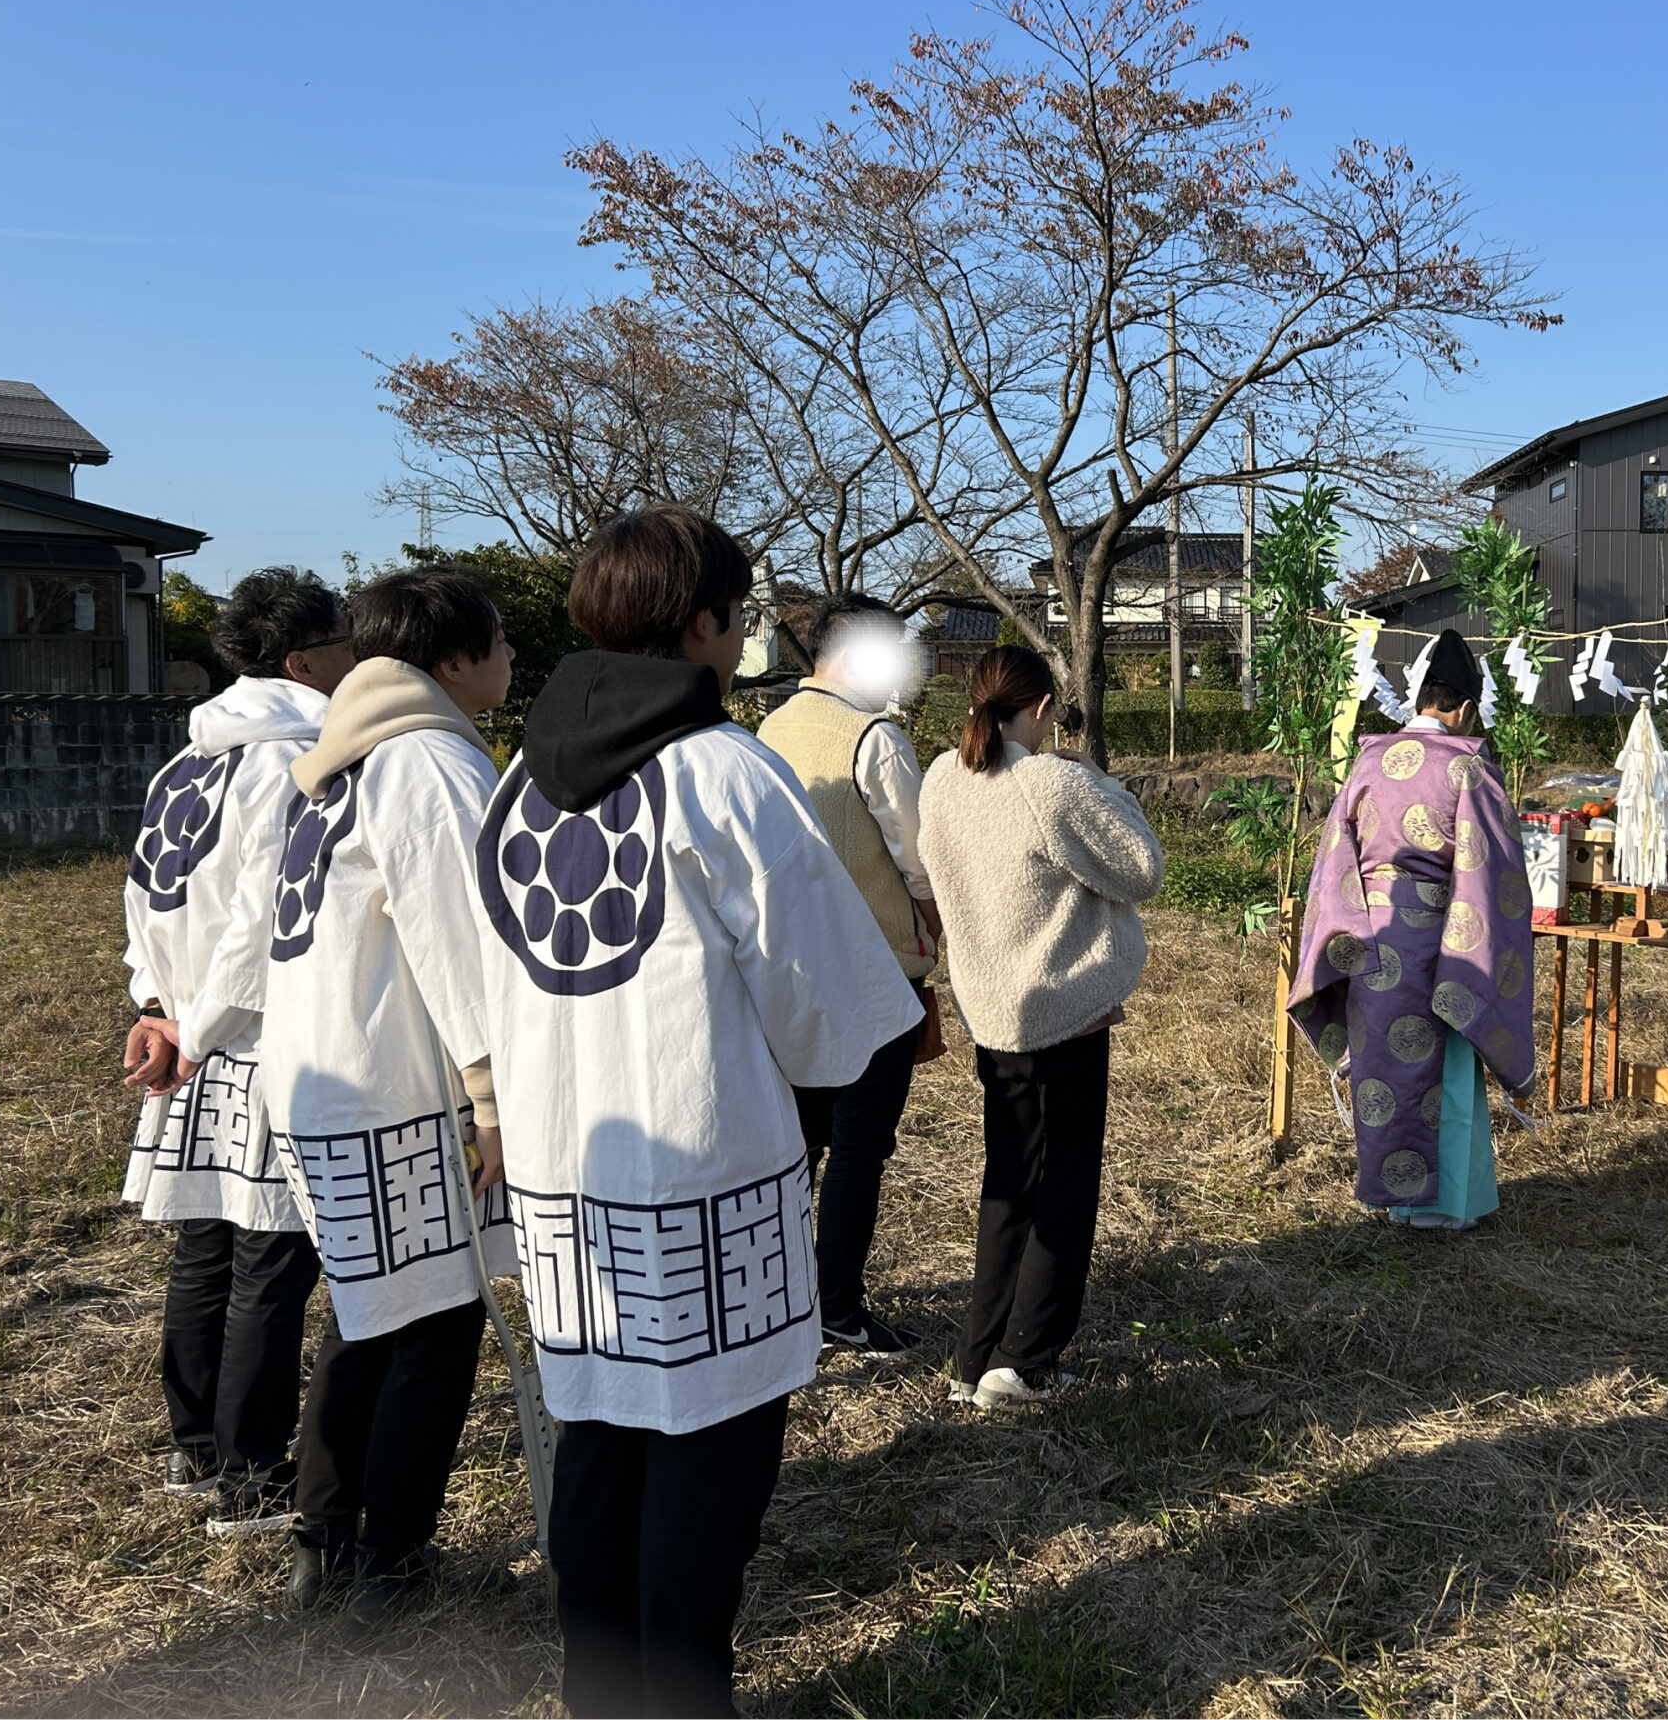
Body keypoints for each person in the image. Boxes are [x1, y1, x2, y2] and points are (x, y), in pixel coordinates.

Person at [472, 505, 920, 1719]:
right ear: (703, 621)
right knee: (707, 1460)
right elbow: (828, 1011)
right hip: (704, 1173)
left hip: (570, 1173)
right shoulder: (722, 771)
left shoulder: (518, 777)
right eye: (736, 614)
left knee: (601, 1438)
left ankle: (598, 1691)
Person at [180, 566, 516, 1628]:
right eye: (502, 642)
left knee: (372, 1316)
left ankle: (326, 1541)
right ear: (453, 660)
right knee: (432, 1324)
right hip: (399, 1087)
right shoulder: (426, 760)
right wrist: (492, 1092)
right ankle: (391, 1559)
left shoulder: (337, 761)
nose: (513, 659)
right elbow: (465, 939)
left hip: (324, 1081)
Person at [119, 567, 354, 1536]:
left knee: (204, 1248)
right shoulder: (292, 762)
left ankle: (194, 1445)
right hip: (254, 1036)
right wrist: (201, 1025)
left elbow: (144, 897)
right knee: (269, 1257)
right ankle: (252, 1476)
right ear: (302, 659)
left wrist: (157, 1007)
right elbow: (261, 923)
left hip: (188, 1030)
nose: (357, 654)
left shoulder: (184, 764)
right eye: (344, 638)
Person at [916, 645, 1163, 1408]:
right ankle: (1025, 1361)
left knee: (1009, 1182)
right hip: (1061, 1009)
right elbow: (1140, 867)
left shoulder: (941, 776)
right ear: (1045, 709)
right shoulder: (1048, 781)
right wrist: (1101, 780)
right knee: (1065, 1187)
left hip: (991, 1007)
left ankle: (976, 1353)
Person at [1288, 629, 1539, 1231]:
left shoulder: (1369, 758)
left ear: (1421, 699)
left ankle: (1396, 1202)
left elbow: (1333, 861)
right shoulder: (1469, 767)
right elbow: (1493, 874)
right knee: (1445, 1073)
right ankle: (1446, 1207)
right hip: (1443, 946)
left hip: (1372, 939)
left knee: (1386, 1071)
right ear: (1467, 708)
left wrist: (1343, 936)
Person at [755, 593, 940, 1359]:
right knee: (862, 1147)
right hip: (872, 976)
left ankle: (779, 1293)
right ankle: (837, 1304)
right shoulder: (875, 739)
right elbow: (923, 862)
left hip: (784, 974)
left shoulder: (768, 729)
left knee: (796, 1145)